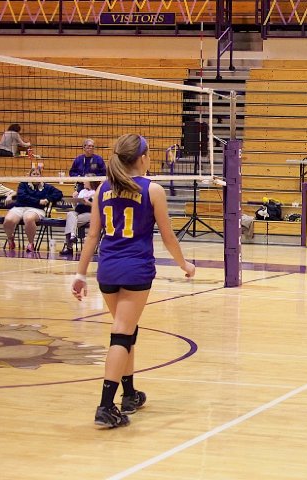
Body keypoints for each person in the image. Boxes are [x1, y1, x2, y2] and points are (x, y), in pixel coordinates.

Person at [71, 134, 195, 429]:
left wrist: (79, 274)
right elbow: (168, 236)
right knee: (122, 333)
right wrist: (184, 264)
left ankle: (129, 395)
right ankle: (105, 406)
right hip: (135, 269)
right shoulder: (153, 190)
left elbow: (92, 236)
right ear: (142, 158)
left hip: (107, 270)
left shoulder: (103, 188)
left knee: (126, 330)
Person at [2, 167, 63, 252]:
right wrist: (38, 201)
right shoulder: (23, 184)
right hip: (20, 207)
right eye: (33, 174)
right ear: (30, 175)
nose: (35, 176)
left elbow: (59, 193)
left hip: (36, 209)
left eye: (38, 174)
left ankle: (31, 243)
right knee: (8, 220)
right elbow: (22, 197)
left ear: (41, 176)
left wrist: (48, 199)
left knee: (29, 218)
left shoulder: (46, 187)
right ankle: (10, 238)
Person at [60, 177, 101, 256]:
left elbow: (99, 207)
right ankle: (73, 235)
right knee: (70, 214)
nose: (83, 182)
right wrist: (74, 199)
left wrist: (88, 203)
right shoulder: (82, 191)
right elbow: (76, 206)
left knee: (70, 221)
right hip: (79, 212)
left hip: (91, 213)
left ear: (91, 182)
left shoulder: (97, 192)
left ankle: (69, 247)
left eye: (85, 180)